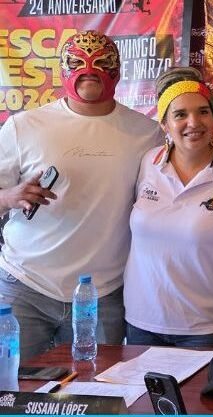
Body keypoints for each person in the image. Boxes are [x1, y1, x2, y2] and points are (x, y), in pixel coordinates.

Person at [0, 30, 161, 360]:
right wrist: (10, 196)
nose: (90, 72)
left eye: (101, 64)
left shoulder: (147, 133)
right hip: (26, 283)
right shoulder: (24, 126)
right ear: (63, 69)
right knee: (11, 391)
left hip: (103, 292)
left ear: (117, 70)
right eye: (78, 64)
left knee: (98, 398)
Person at [122, 67, 213, 348]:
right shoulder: (148, 163)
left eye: (203, 111)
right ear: (164, 124)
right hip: (141, 321)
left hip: (206, 326)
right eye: (180, 115)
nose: (193, 122)